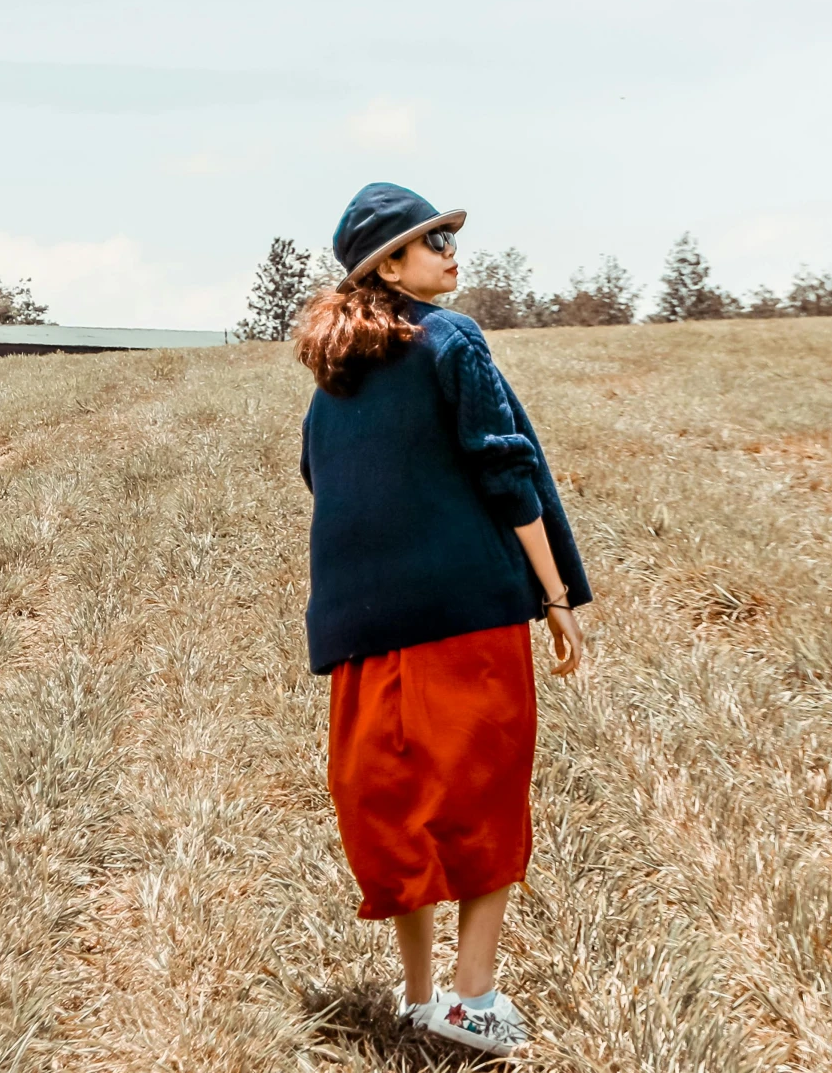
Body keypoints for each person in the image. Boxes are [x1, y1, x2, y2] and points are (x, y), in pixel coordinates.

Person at [295, 181, 591, 1055]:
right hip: (466, 614)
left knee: (398, 810)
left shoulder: (333, 381)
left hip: (363, 630)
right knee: (484, 806)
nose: (453, 252)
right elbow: (509, 474)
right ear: (390, 264)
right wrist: (558, 595)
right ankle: (473, 999)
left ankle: (419, 997)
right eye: (434, 242)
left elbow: (321, 483)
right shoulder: (452, 339)